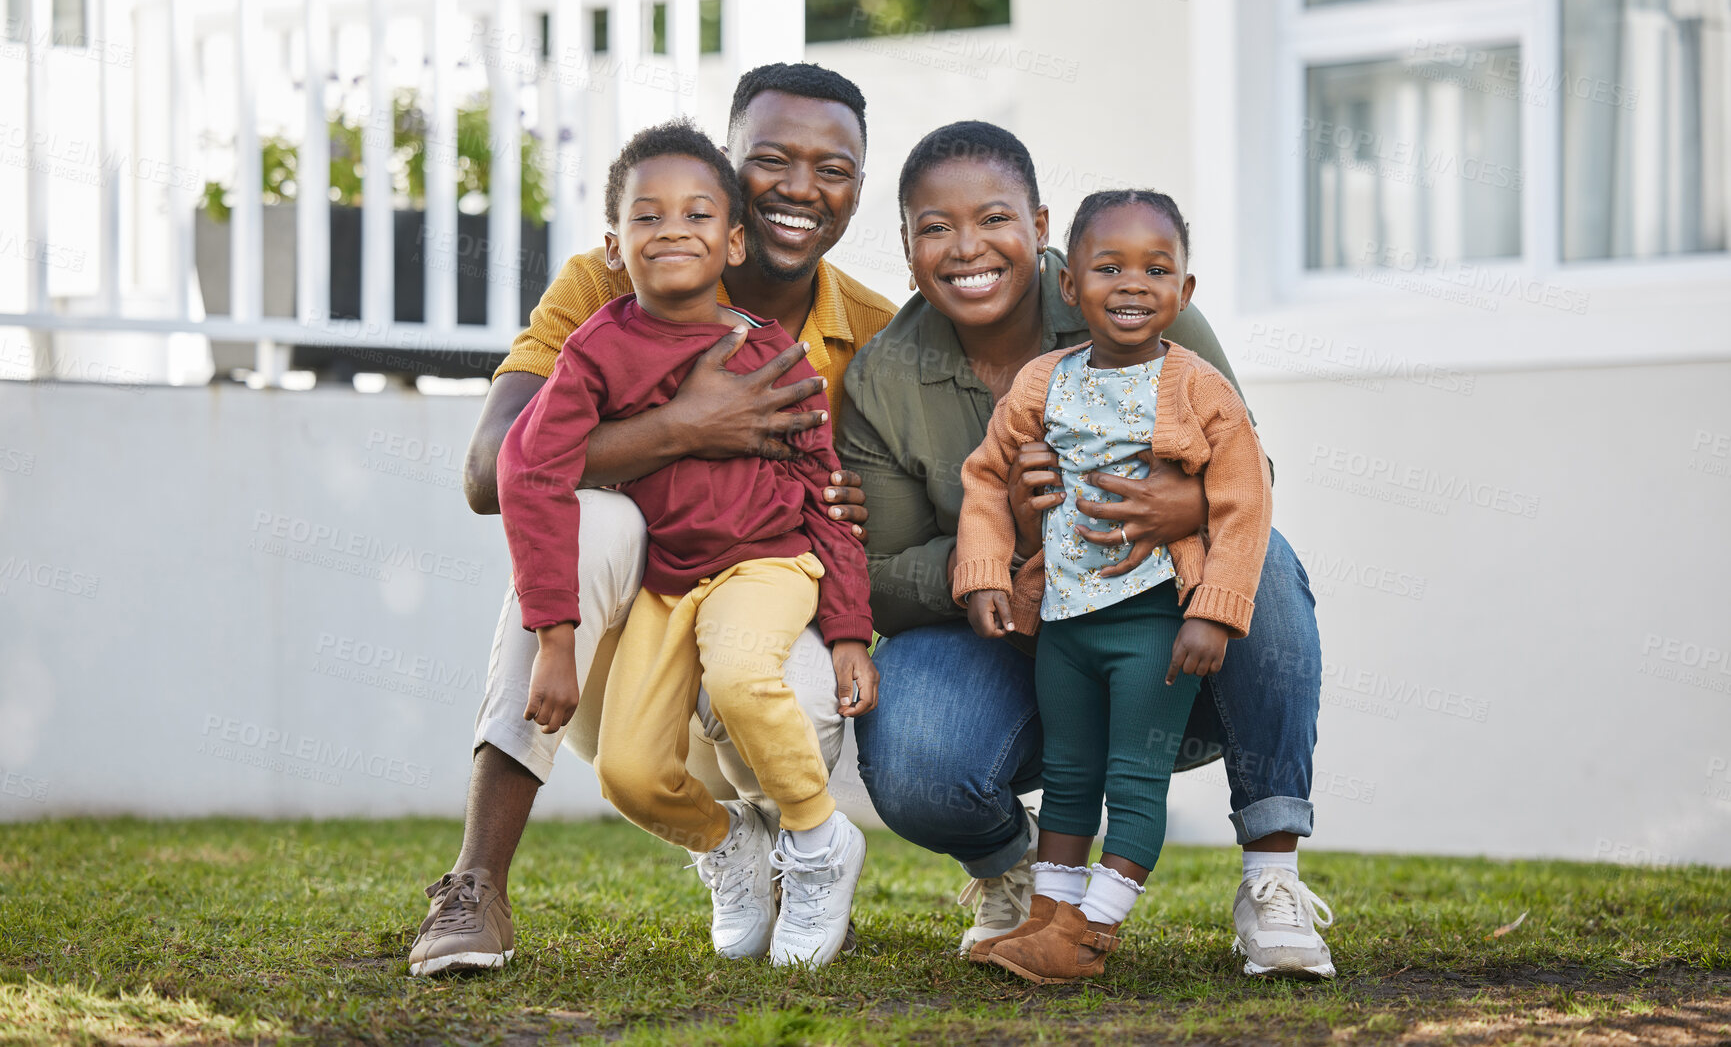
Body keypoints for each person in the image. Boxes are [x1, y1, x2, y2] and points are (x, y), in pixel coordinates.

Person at [410, 63, 895, 977]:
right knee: (597, 523)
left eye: (832, 167)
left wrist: (851, 519)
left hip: (758, 618)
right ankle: (477, 882)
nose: (799, 187)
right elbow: (491, 472)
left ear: (858, 188)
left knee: (772, 661)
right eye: (771, 159)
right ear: (728, 167)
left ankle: (799, 856)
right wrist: (684, 426)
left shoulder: (869, 328)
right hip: (628, 630)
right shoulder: (604, 285)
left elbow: (878, 498)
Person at [838, 121, 1336, 979]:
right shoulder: (883, 379)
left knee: (1269, 564)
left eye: (993, 218)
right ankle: (1017, 871)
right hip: (1013, 642)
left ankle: (1271, 876)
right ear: (907, 244)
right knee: (918, 757)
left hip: (1164, 633)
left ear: (1037, 225)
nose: (967, 249)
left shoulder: (1138, 298)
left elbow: (1250, 475)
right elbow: (879, 579)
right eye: (934, 228)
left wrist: (1184, 503)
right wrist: (1000, 553)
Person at [952, 190, 1273, 983]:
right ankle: (1046, 915)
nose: (1132, 284)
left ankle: (1091, 933)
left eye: (1156, 269)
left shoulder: (1198, 388)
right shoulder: (1041, 382)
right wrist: (985, 570)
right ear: (1070, 286)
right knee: (1068, 769)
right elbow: (987, 477)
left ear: (1184, 292)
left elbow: (1243, 500)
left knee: (1133, 770)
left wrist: (1214, 611)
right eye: (1108, 267)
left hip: (1154, 619)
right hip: (1063, 622)